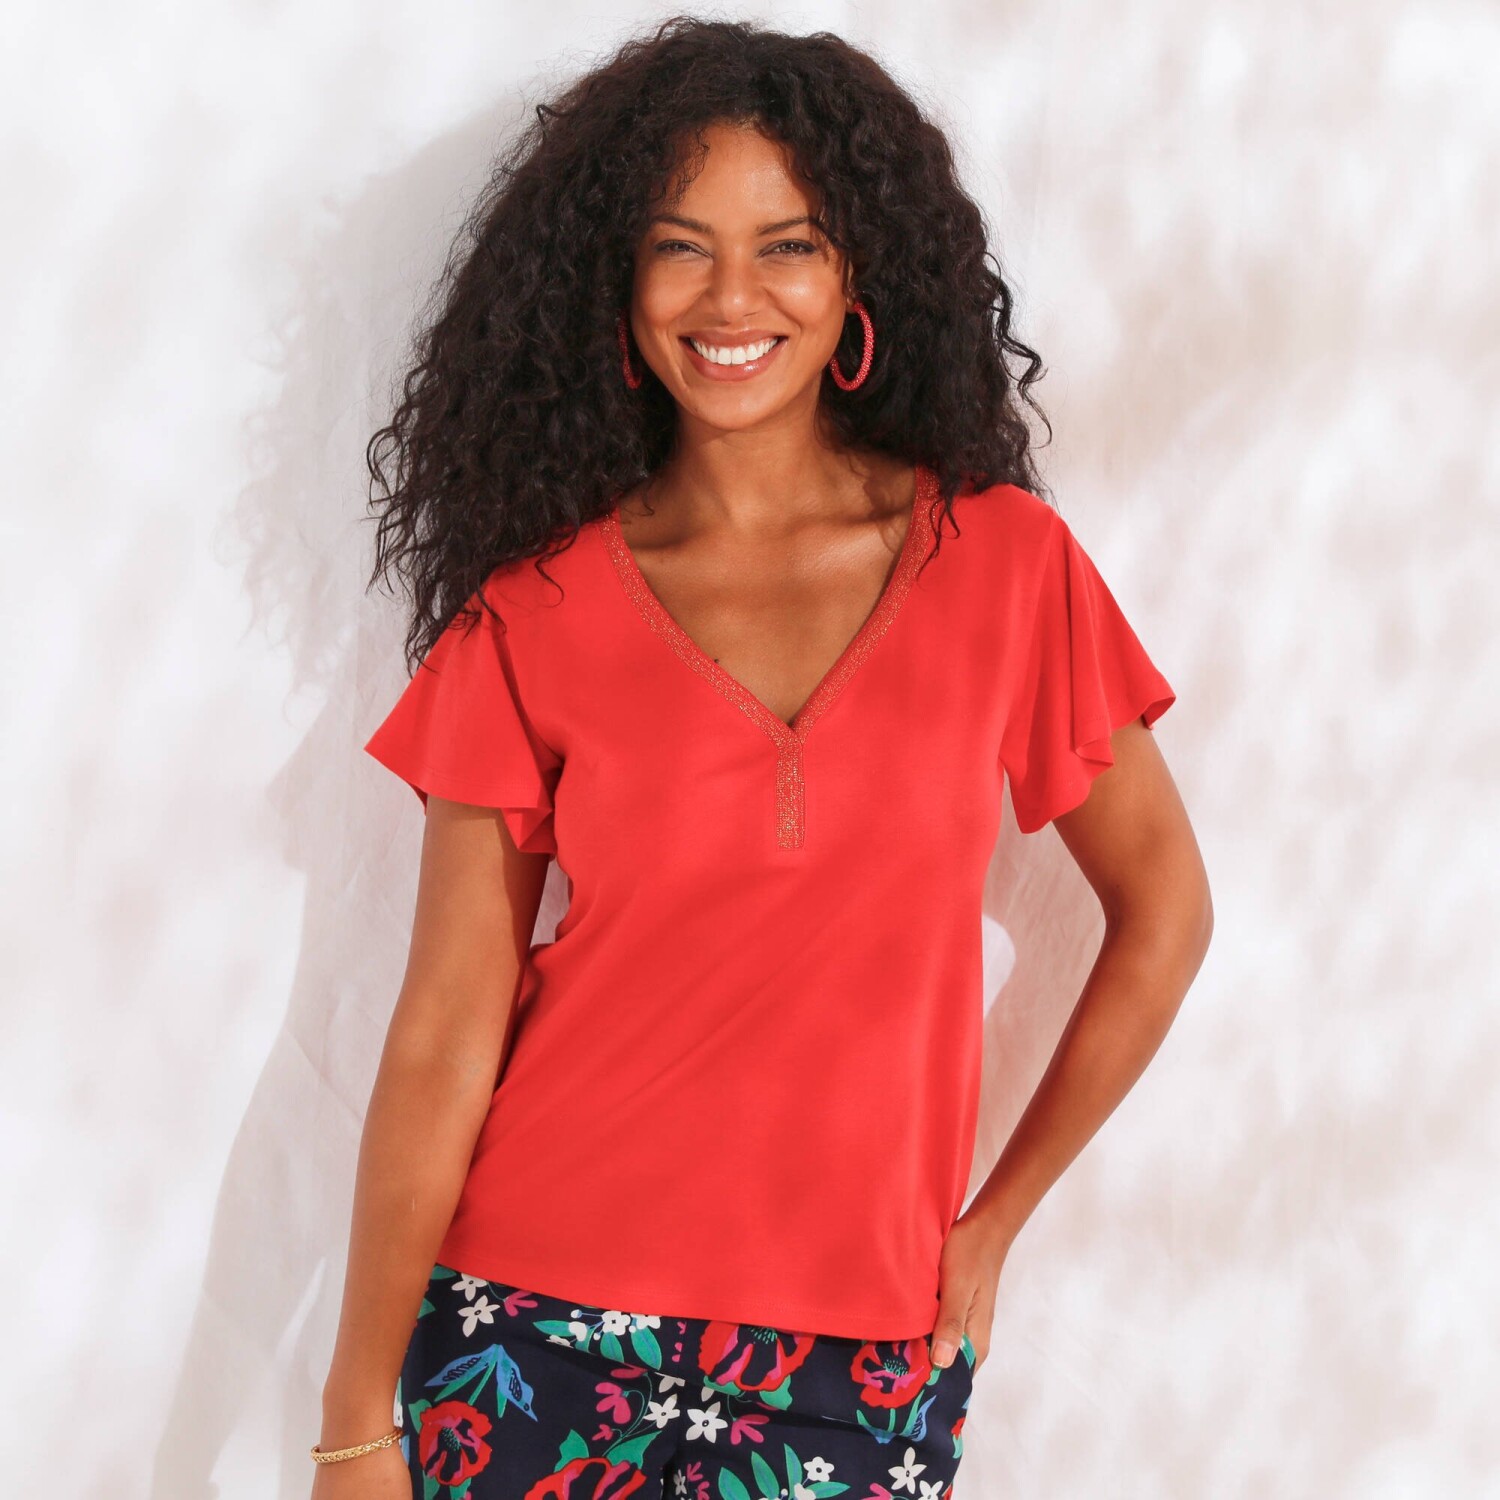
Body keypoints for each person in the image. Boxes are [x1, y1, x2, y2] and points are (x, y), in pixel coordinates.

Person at [311, 16, 1213, 1499]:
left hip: (863, 1361)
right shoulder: (531, 611)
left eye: (786, 245)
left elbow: (1165, 909)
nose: (732, 298)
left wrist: (996, 1222)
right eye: (681, 249)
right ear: (618, 287)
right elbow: (444, 1033)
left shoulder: (1005, 567)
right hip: (530, 1333)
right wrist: (356, 1418)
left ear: (860, 276)